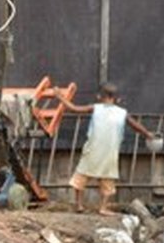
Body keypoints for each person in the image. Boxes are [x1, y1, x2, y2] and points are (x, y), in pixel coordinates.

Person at [57, 83, 154, 215]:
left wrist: (60, 97)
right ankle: (103, 207)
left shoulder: (95, 108)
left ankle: (79, 204)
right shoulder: (122, 113)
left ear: (99, 96)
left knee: (81, 175)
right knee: (108, 180)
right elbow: (136, 126)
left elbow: (74, 108)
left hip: (92, 149)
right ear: (118, 99)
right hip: (110, 152)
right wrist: (148, 134)